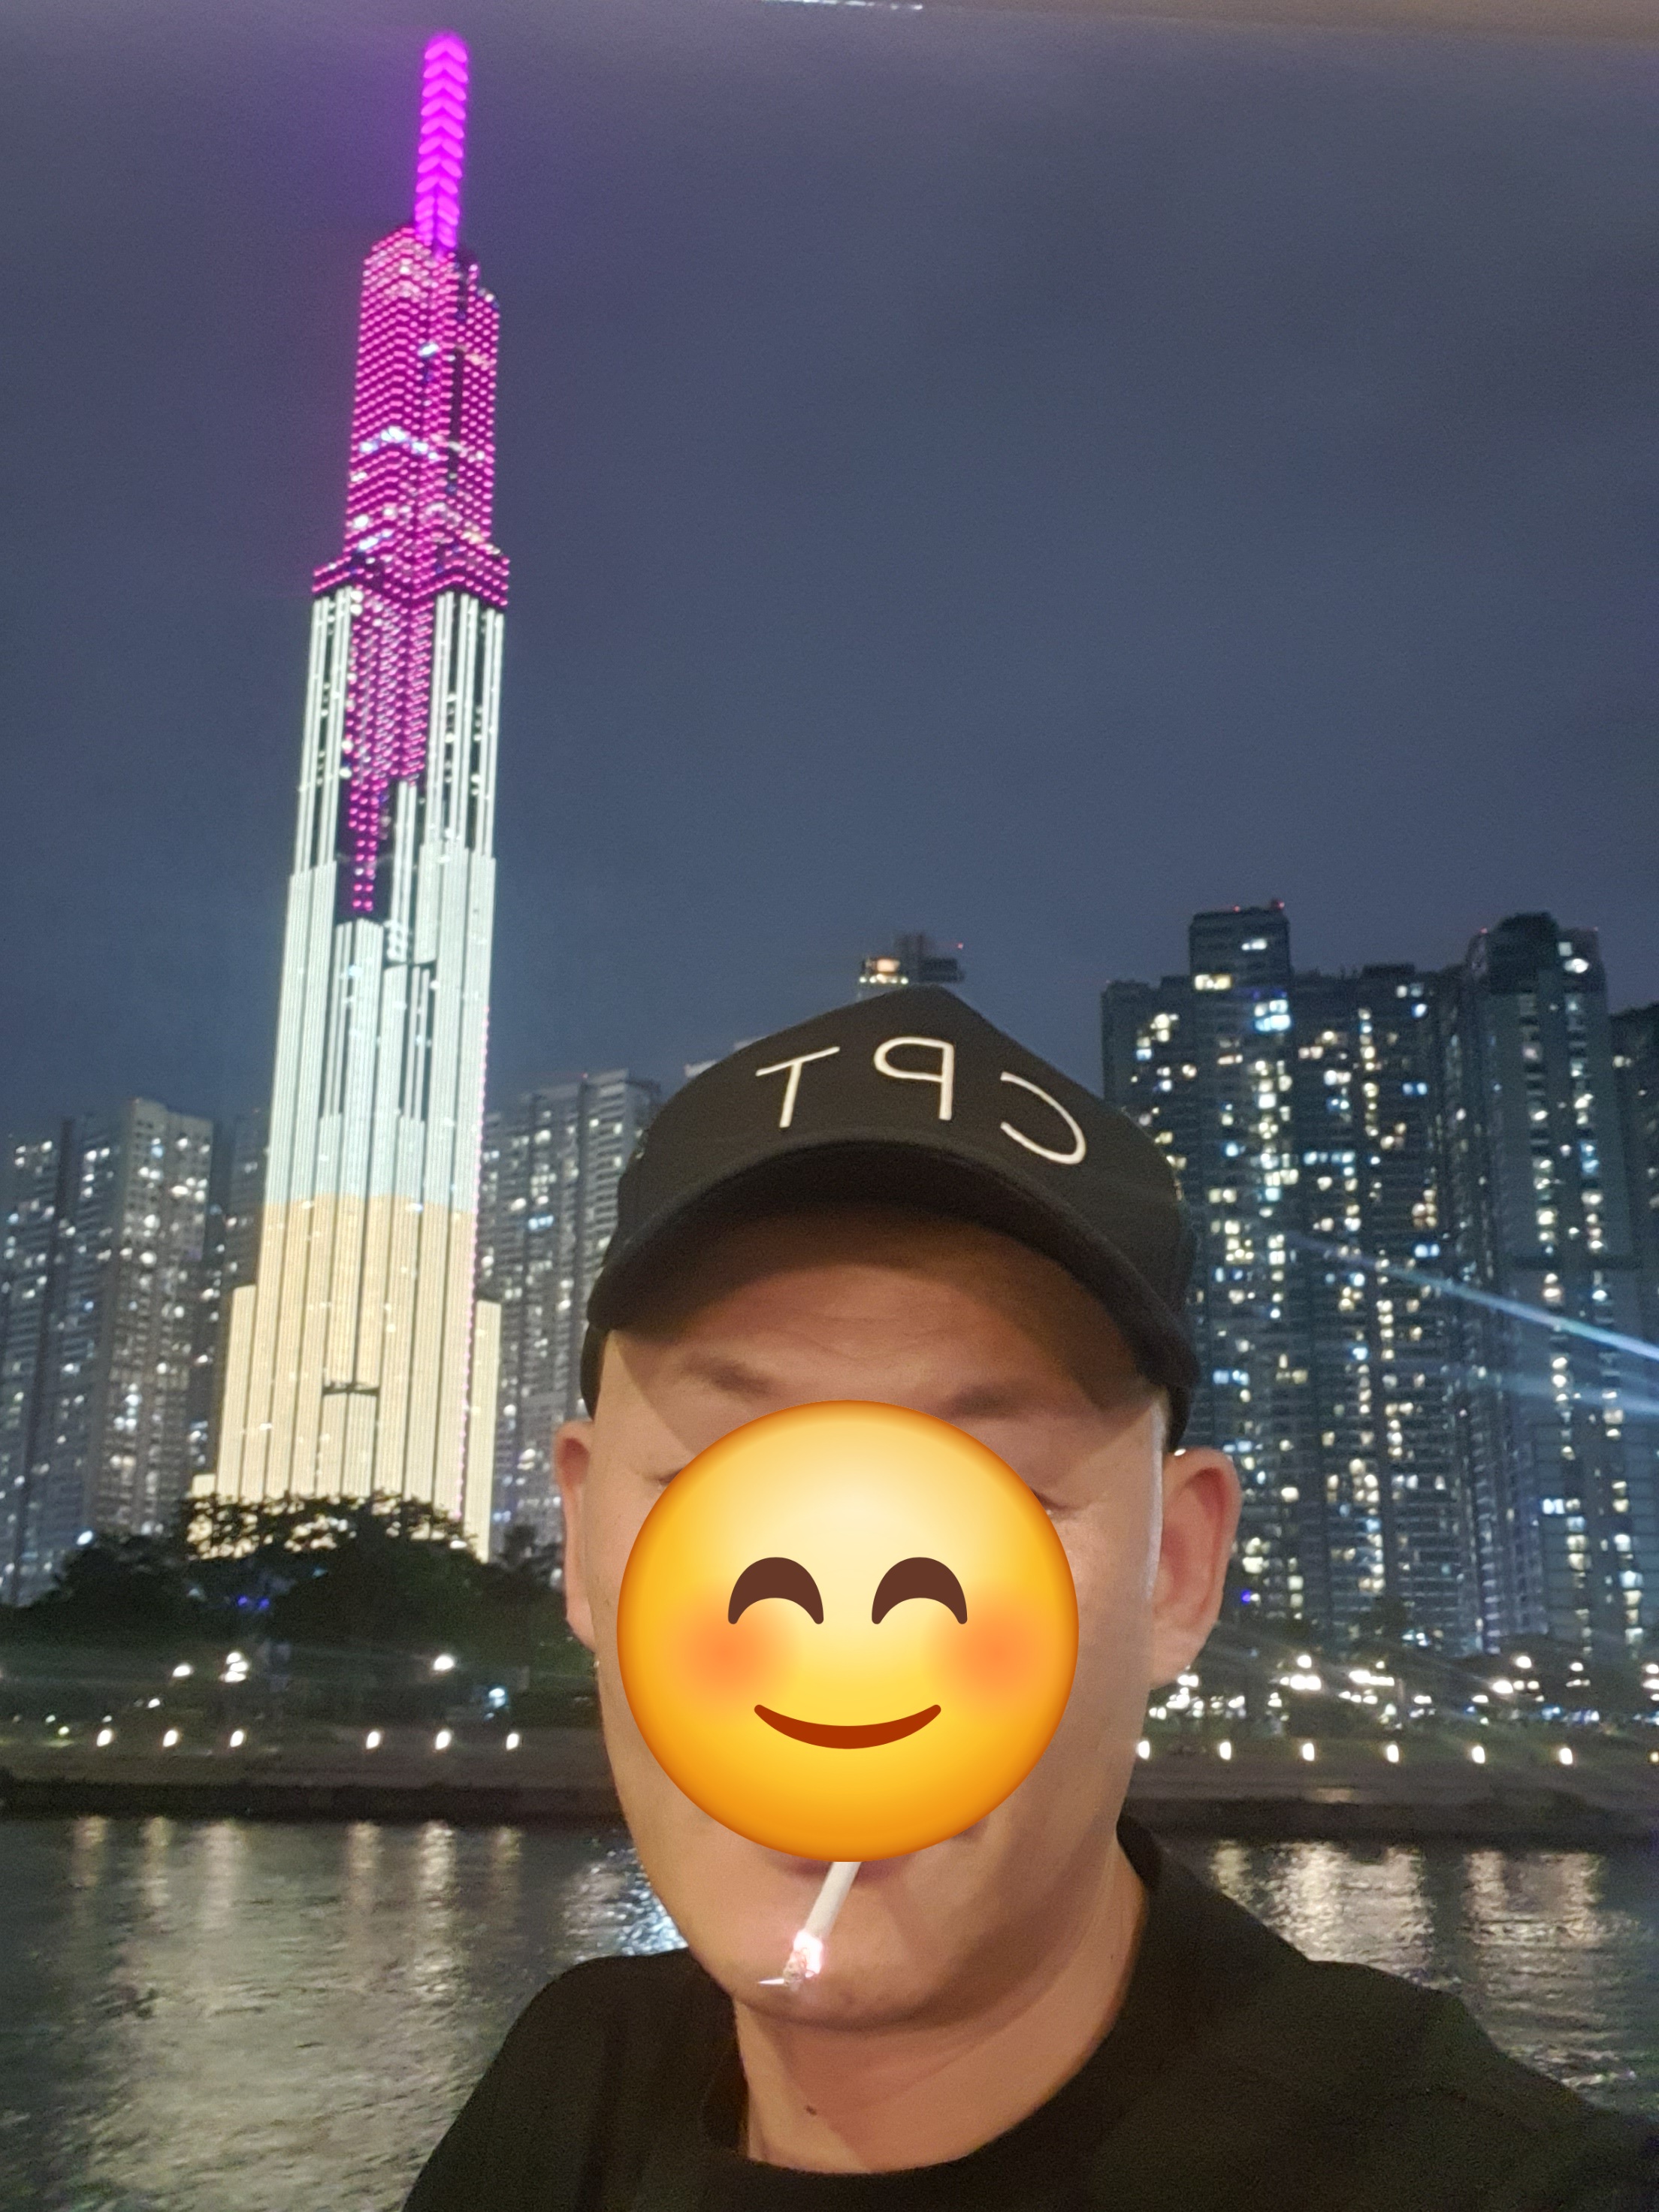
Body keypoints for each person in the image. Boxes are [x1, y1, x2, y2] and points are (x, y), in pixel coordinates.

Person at [406, 989, 1658, 2210]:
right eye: (717, 1478)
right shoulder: (572, 2083)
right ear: (585, 1546)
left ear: (1177, 1572)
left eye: (992, 1488)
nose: (842, 1637)